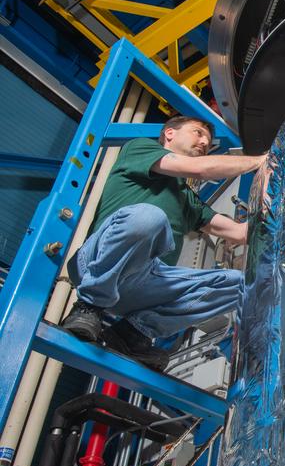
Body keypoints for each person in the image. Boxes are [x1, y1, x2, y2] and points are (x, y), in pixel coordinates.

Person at [61, 115, 265, 368]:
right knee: (149, 217)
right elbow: (200, 169)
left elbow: (241, 233)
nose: (205, 142)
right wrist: (260, 161)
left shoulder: (186, 197)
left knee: (240, 283)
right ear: (169, 133)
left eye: (208, 139)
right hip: (98, 263)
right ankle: (88, 306)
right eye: (198, 132)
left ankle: (134, 333)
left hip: (145, 282)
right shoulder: (140, 149)